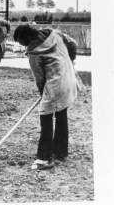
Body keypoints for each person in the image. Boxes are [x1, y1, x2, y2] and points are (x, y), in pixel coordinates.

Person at [13, 24, 79, 170]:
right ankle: (60, 152)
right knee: (61, 114)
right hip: (69, 78)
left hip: (55, 84)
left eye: (21, 41)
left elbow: (40, 78)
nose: (22, 45)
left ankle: (44, 157)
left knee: (46, 116)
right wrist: (70, 61)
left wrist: (42, 92)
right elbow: (73, 44)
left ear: (27, 37)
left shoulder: (34, 52)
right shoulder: (54, 33)